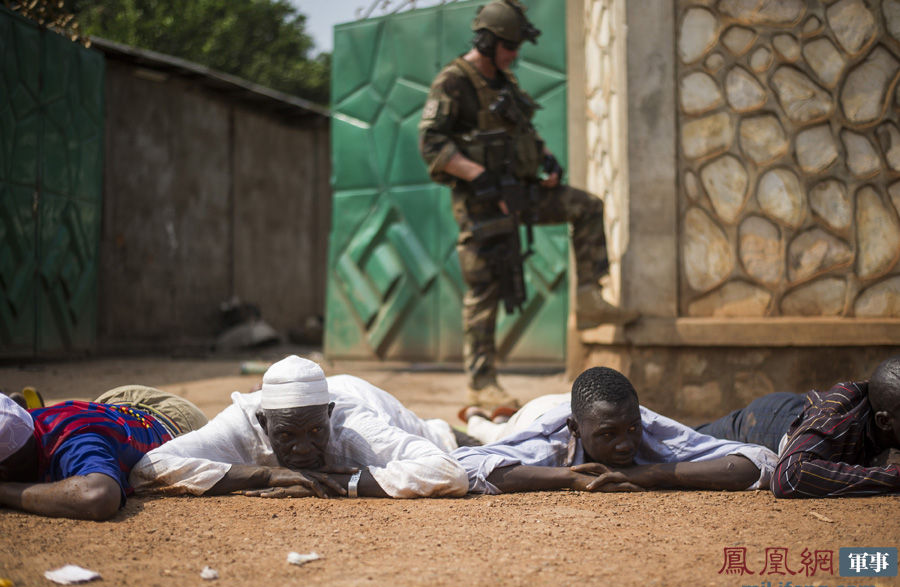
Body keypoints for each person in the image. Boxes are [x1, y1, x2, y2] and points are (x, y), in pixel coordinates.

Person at [418, 0, 638, 411]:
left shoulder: (506, 82)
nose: (515, 53)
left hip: (521, 191)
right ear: (488, 41)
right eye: (510, 45)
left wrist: (546, 160)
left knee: (585, 206)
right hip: (482, 201)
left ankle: (590, 295)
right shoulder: (454, 81)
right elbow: (431, 142)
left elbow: (526, 133)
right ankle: (483, 384)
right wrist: (476, 174)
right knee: (485, 288)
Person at [130, 355, 469, 499]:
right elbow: (148, 469)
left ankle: (483, 420)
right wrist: (269, 475)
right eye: (286, 436)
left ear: (330, 415)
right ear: (264, 423)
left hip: (391, 407)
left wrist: (344, 483)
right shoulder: (242, 422)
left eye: (316, 432)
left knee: (466, 436)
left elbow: (448, 471)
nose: (304, 449)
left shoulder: (355, 425)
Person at [451, 366, 777, 494]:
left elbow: (759, 460)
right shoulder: (548, 443)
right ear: (575, 429)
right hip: (535, 412)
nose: (625, 445)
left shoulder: (648, 427)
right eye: (608, 435)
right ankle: (481, 418)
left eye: (631, 429)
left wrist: (652, 474)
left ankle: (487, 418)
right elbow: (462, 467)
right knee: (493, 436)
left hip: (583, 405)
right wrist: (571, 477)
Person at [697, 356, 900, 497]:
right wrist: (892, 477)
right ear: (884, 421)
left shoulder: (887, 403)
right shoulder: (837, 420)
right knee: (683, 440)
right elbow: (788, 477)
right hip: (766, 420)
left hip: (802, 408)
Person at [0, 388, 208, 520]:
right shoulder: (23, 421)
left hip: (174, 418)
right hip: (108, 404)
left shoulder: (80, 445)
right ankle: (22, 407)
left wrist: (6, 491)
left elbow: (100, 496)